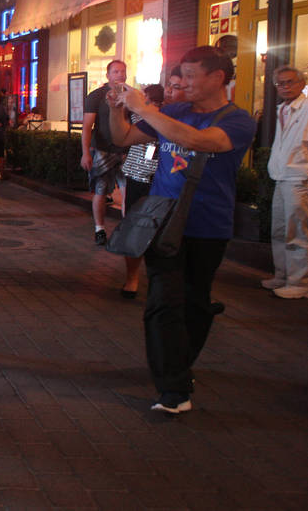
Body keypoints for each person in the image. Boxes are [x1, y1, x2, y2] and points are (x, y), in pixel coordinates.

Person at [108, 46, 255, 414]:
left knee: (195, 302)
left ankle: (177, 366)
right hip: (164, 219)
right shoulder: (174, 111)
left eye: (191, 76)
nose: (184, 83)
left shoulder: (238, 120)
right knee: (162, 301)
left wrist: (144, 108)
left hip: (208, 223)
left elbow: (199, 142)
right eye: (182, 75)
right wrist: (116, 108)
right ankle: (173, 390)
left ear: (217, 78)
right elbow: (124, 138)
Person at [261, 66, 308, 299]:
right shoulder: (283, 108)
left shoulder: (307, 107)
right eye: (280, 83)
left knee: (297, 230)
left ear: (301, 83)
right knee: (279, 229)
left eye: (290, 82)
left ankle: (300, 281)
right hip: (281, 175)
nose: (285, 87)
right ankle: (282, 274)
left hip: (299, 176)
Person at [117, 83, 165, 299]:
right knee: (133, 227)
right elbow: (121, 132)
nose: (145, 104)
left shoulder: (168, 121)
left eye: (149, 100)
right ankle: (132, 278)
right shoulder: (139, 119)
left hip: (160, 182)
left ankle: (157, 279)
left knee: (160, 232)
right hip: (136, 178)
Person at [81, 60, 130, 245]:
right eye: (116, 71)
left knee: (127, 191)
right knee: (100, 190)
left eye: (123, 71)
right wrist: (86, 153)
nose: (120, 75)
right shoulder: (96, 96)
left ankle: (125, 229)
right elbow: (87, 127)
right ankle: (99, 228)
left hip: (125, 151)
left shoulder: (130, 95)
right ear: (108, 75)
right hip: (103, 151)